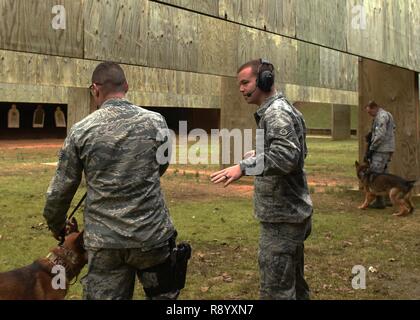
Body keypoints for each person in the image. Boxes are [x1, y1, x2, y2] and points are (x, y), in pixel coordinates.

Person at [43, 61, 185, 300]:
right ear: (126, 86)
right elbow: (161, 165)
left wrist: (56, 223)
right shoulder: (156, 122)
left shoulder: (81, 130)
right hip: (151, 236)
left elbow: (61, 190)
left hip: (105, 243)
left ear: (95, 89)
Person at [211, 59, 313, 300]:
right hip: (290, 213)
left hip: (282, 218)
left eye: (246, 82)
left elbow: (287, 156)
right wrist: (260, 154)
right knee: (295, 285)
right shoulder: (282, 108)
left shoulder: (276, 112)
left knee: (276, 291)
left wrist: (243, 167)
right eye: (239, 85)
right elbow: (298, 152)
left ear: (265, 80)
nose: (241, 89)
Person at [364, 100, 396, 209]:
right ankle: (388, 199)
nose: (369, 114)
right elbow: (392, 129)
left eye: (370, 112)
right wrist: (371, 134)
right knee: (385, 175)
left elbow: (381, 135)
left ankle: (379, 201)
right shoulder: (388, 114)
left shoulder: (381, 116)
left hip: (381, 149)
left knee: (376, 175)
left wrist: (372, 148)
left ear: (374, 108)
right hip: (387, 149)